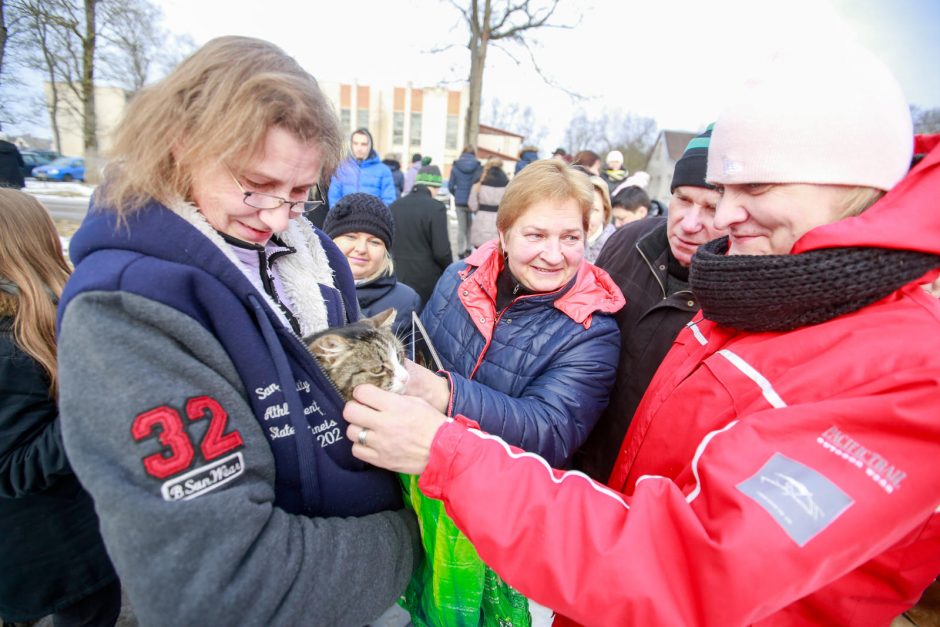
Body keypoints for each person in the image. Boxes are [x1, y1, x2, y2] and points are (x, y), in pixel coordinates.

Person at [343, 41, 940, 625]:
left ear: (849, 179)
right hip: (584, 565)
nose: (723, 216)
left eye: (755, 187)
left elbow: (692, 567)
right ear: (501, 235)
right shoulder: (761, 297)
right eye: (718, 190)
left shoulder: (909, 373)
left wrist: (448, 442)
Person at [55, 37, 417, 626]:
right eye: (254, 184)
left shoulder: (316, 253)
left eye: (301, 192)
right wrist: (411, 538)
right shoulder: (126, 307)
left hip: (359, 593)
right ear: (183, 146)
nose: (277, 218)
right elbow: (223, 589)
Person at [398, 158, 624, 625]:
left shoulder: (592, 330)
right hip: (425, 484)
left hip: (500, 517)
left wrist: (446, 396)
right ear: (503, 234)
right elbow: (427, 344)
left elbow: (550, 431)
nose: (554, 254)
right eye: (535, 235)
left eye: (570, 238)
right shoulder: (461, 278)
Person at [573, 126, 723, 481]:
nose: (689, 223)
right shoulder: (627, 240)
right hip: (579, 450)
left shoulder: (740, 293)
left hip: (648, 485)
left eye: (711, 208)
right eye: (683, 199)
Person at [0, 189, 121, 626]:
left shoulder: (54, 318)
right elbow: (14, 467)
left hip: (74, 542)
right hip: (46, 552)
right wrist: (96, 400)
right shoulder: (11, 344)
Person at [324, 192, 421, 336]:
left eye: (374, 242)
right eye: (351, 237)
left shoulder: (406, 301)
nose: (361, 249)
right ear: (329, 240)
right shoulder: (302, 288)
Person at [389, 164, 453, 304]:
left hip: (396, 277)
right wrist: (450, 270)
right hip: (426, 281)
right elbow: (441, 252)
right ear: (435, 186)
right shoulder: (436, 208)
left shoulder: (394, 206)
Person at [328, 127, 397, 206]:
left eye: (363, 144)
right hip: (346, 217)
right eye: (355, 143)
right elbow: (334, 198)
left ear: (370, 146)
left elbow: (389, 200)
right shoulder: (341, 169)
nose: (359, 148)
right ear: (351, 144)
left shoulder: (383, 171)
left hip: (373, 217)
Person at [448, 145, 483, 258]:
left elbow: (450, 186)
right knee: (470, 227)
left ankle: (460, 251)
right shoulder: (478, 167)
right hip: (472, 201)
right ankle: (468, 249)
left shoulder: (456, 166)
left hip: (459, 201)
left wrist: (457, 194)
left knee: (461, 227)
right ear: (474, 154)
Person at [467, 156, 509, 249]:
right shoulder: (507, 183)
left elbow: (472, 204)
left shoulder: (479, 183)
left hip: (481, 219)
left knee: (480, 253)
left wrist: (478, 209)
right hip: (498, 221)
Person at [584, 175, 616, 263]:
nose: (584, 218)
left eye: (593, 210)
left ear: (605, 213)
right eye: (579, 208)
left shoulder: (617, 250)